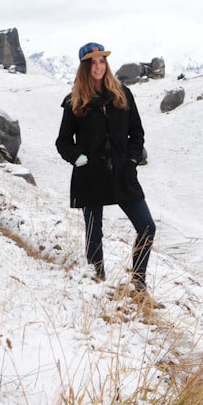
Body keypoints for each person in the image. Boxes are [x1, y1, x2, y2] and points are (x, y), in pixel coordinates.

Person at [55, 42, 158, 301]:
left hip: (123, 174)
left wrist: (132, 159)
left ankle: (138, 282)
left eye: (102, 61)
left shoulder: (123, 94)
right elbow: (63, 141)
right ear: (84, 68)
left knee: (147, 226)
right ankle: (97, 281)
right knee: (94, 232)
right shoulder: (75, 101)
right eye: (92, 63)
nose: (98, 67)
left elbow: (137, 132)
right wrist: (79, 159)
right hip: (91, 175)